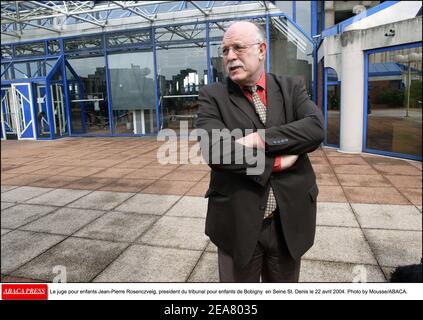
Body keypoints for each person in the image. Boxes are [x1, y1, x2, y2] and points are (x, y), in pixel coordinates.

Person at [196, 21, 324, 282]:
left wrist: (258, 139)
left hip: (288, 220)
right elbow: (215, 149)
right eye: (225, 50)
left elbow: (315, 128)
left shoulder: (290, 88)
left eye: (238, 48)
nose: (230, 56)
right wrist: (276, 163)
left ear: (262, 50)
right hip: (238, 220)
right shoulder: (212, 96)